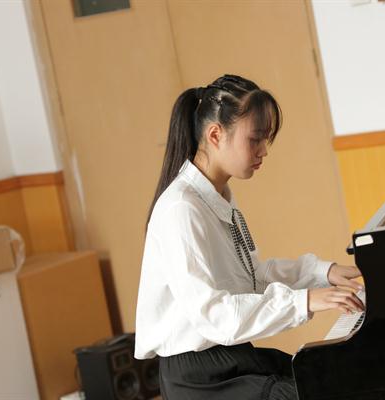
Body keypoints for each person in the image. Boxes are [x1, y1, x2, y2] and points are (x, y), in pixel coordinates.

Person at [134, 74, 364, 400]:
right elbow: (215, 316)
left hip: (230, 357)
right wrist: (305, 300)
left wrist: (321, 273)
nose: (263, 151)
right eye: (255, 139)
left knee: (331, 378)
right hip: (200, 379)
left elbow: (252, 277)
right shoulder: (181, 208)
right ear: (216, 135)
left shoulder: (218, 196)